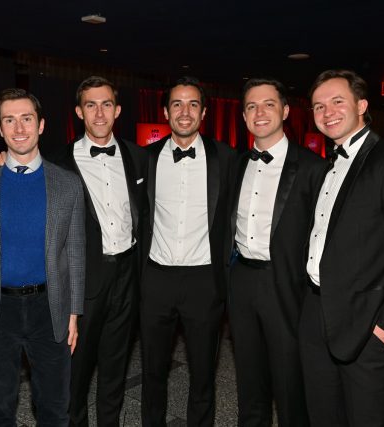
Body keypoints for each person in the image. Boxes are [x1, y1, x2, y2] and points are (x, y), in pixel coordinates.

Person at [299, 69, 384, 426]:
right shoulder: (326, 167)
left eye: (337, 101)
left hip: (368, 324)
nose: (327, 112)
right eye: (318, 106)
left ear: (362, 105)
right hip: (316, 314)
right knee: (323, 416)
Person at [0, 88, 85, 426]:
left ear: (41, 125)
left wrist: (74, 313)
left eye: (26, 118)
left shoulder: (68, 183)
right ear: (0, 129)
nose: (19, 128)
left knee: (54, 407)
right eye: (9, 120)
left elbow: (75, 250)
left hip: (49, 307)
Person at [228, 78, 327, 426]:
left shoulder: (314, 168)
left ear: (285, 111)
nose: (260, 112)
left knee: (289, 381)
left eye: (268, 104)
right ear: (244, 116)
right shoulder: (236, 164)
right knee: (248, 378)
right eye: (251, 106)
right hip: (242, 280)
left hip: (286, 283)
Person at [140, 76, 235, 426]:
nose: (185, 111)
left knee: (203, 372)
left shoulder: (227, 158)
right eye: (177, 104)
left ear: (204, 112)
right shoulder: (145, 158)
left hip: (204, 281)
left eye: (193, 104)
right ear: (165, 112)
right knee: (153, 369)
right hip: (156, 279)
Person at [63, 76, 146, 426]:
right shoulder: (58, 162)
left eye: (107, 104)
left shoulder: (138, 156)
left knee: (115, 366)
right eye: (91, 105)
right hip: (84, 279)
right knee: (76, 371)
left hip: (127, 274)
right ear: (79, 112)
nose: (100, 113)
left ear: (118, 110)